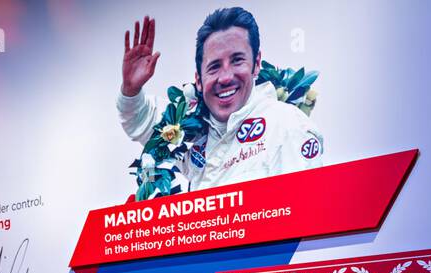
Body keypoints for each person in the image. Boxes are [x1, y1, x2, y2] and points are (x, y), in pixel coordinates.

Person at [117, 8, 324, 190]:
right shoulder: (191, 133)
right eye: (214, 66)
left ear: (257, 63)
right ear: (198, 79)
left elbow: (308, 216)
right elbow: (142, 121)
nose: (225, 77)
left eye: (237, 60)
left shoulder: (287, 124)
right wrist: (130, 89)